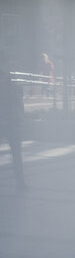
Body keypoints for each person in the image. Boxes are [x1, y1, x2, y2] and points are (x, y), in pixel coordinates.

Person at [0, 56, 28, 190]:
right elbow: (19, 106)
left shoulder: (12, 88)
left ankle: (21, 182)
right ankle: (21, 182)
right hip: (13, 124)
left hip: (5, 123)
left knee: (17, 154)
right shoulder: (15, 88)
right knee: (17, 154)